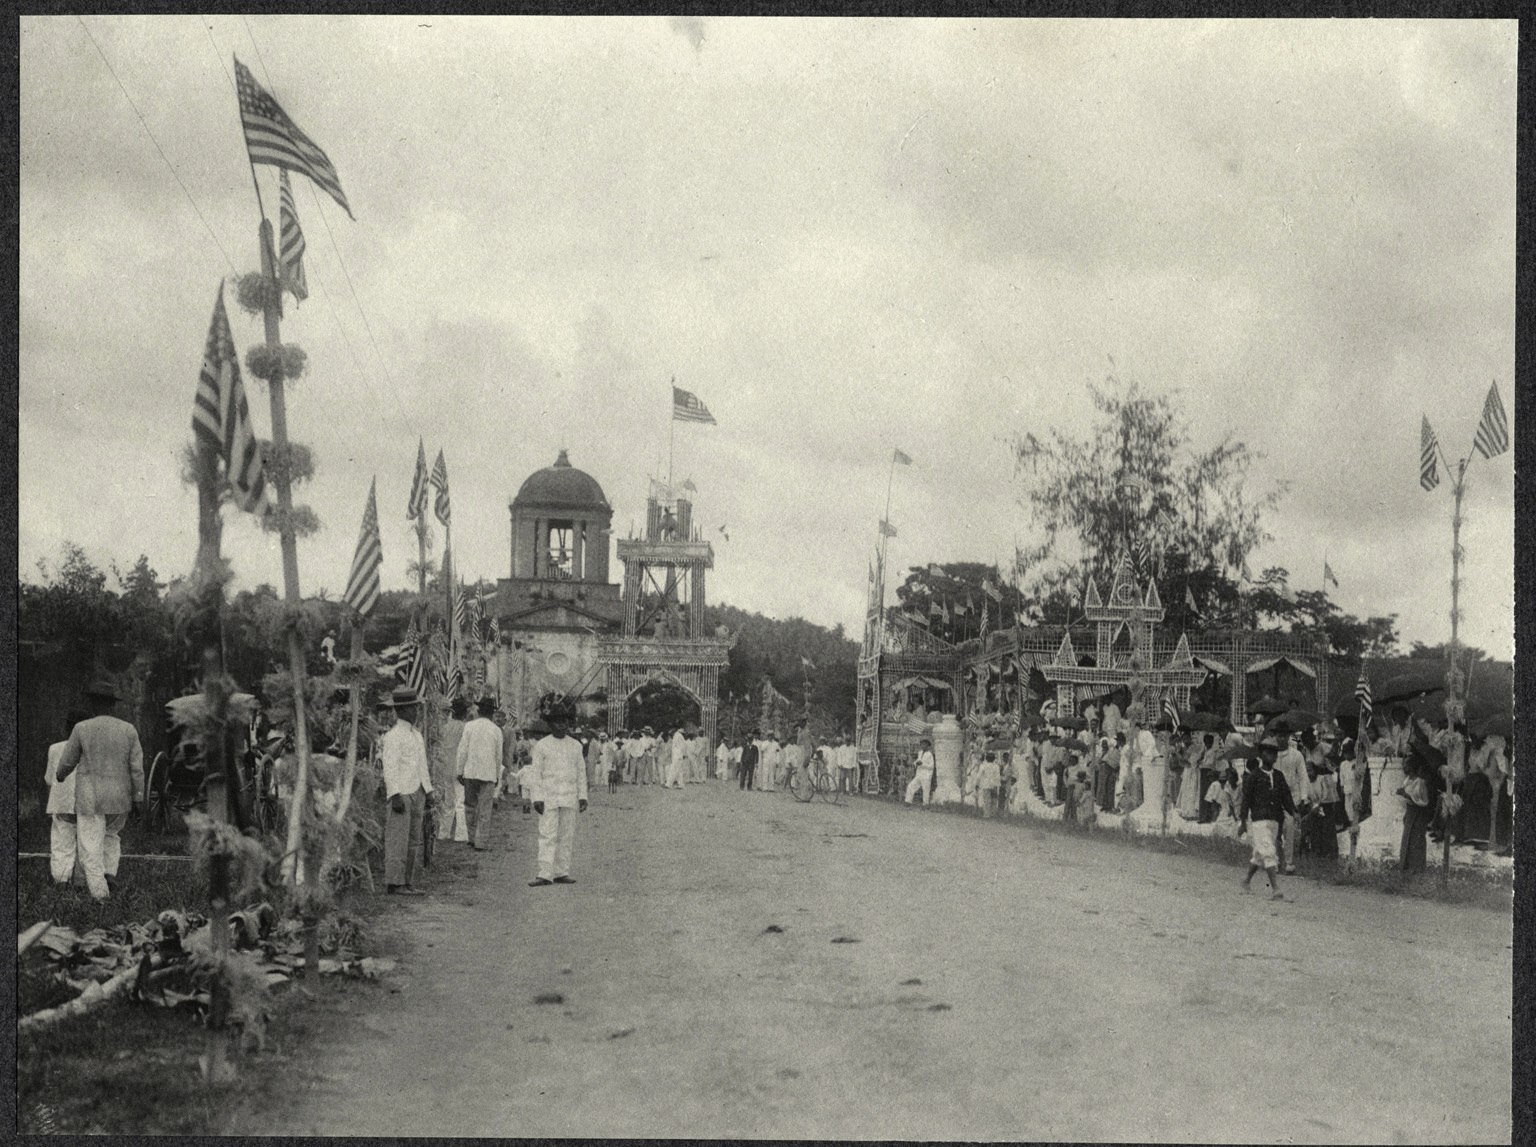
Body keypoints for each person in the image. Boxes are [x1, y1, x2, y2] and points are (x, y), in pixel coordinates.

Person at [54, 682, 144, 901]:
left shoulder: (82, 728)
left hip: (90, 798)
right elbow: (136, 768)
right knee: (112, 836)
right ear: (112, 706)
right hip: (119, 797)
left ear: (93, 704)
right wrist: (138, 797)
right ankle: (109, 874)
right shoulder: (128, 729)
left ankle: (100, 896)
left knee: (90, 846)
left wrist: (60, 775)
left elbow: (67, 761)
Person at [378, 688, 433, 895]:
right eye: (414, 708)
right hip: (401, 792)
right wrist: (394, 794)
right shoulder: (394, 736)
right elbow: (389, 767)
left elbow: (422, 765)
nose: (417, 711)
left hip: (416, 789)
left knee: (412, 839)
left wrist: (428, 791)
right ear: (403, 710)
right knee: (397, 838)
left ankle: (407, 880)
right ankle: (394, 882)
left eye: (417, 707)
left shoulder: (416, 735)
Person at [528, 703, 589, 886]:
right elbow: (536, 774)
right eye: (557, 722)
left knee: (566, 835)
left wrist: (582, 796)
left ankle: (562, 872)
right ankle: (544, 873)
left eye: (565, 722)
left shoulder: (576, 746)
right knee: (547, 834)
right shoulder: (542, 746)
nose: (562, 726)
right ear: (551, 724)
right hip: (548, 796)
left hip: (569, 796)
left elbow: (581, 772)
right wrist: (536, 797)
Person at [1237, 743, 1295, 900]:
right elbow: (1246, 800)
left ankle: (1246, 880)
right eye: (1268, 753)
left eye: (1274, 753)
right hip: (1259, 820)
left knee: (1259, 854)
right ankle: (1275, 889)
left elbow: (1286, 797)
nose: (1272, 756)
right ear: (1262, 755)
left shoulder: (1278, 776)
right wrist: (1243, 821)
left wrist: (1294, 812)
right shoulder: (1254, 776)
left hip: (1275, 820)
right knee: (1269, 851)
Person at [45, 711, 87, 888]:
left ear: (66, 727)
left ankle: (61, 879)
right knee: (87, 842)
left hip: (62, 802)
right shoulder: (90, 750)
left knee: (62, 841)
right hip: (86, 803)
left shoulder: (55, 748)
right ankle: (81, 880)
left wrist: (54, 797)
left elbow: (49, 779)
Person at [455, 697, 504, 851]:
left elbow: (462, 750)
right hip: (488, 773)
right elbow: (498, 756)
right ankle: (480, 841)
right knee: (485, 808)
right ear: (492, 713)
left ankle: (471, 837)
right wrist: (497, 775)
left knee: (470, 806)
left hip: (471, 771)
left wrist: (459, 770)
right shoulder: (496, 730)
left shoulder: (469, 726)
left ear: (479, 710)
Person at [434, 698, 470, 843]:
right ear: (465, 713)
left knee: (448, 801)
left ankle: (444, 832)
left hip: (445, 767)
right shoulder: (466, 728)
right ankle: (461, 834)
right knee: (460, 802)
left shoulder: (444, 727)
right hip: (459, 768)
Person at [1397, 749, 1434, 874]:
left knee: (1416, 841)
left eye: (1406, 766)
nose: (1404, 768)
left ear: (1412, 767)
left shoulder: (1420, 783)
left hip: (1418, 814)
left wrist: (1406, 795)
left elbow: (1423, 801)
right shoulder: (1407, 780)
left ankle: (1417, 869)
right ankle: (1406, 867)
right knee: (1407, 839)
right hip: (1410, 813)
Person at [905, 738, 936, 804]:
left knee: (925, 790)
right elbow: (917, 761)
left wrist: (922, 764)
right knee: (911, 786)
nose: (923, 746)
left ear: (928, 745)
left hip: (926, 775)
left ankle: (925, 804)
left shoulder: (929, 754)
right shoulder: (920, 753)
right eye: (922, 744)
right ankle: (908, 801)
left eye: (924, 744)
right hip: (919, 774)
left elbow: (931, 766)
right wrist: (914, 763)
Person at [973, 750, 1002, 817]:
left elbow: (978, 776)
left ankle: (986, 814)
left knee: (987, 800)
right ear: (994, 758)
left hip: (986, 785)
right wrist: (997, 785)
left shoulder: (983, 766)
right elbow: (997, 777)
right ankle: (993, 814)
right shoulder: (996, 766)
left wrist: (977, 784)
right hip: (994, 785)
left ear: (986, 758)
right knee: (994, 800)